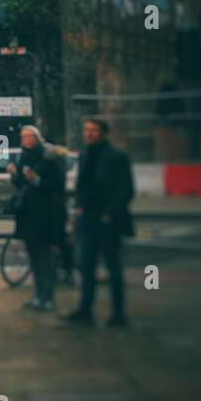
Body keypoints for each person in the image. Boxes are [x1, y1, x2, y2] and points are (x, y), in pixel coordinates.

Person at [67, 118, 135, 327]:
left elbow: (126, 190)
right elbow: (81, 186)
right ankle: (85, 310)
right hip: (87, 218)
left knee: (113, 267)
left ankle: (118, 314)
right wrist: (78, 208)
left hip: (107, 220)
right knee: (86, 266)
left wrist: (109, 213)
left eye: (94, 130)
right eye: (86, 130)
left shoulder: (116, 157)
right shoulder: (85, 154)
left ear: (103, 133)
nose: (88, 134)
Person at [8, 125, 65, 311]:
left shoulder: (47, 157)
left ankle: (47, 296)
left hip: (45, 213)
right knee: (34, 256)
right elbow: (21, 185)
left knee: (44, 257)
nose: (25, 140)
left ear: (37, 138)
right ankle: (39, 294)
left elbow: (57, 185)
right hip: (27, 213)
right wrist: (15, 175)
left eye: (29, 136)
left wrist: (36, 180)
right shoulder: (23, 156)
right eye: (23, 137)